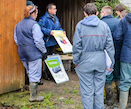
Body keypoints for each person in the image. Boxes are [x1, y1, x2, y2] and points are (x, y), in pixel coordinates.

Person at [73, 3, 115, 109]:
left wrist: (76, 60)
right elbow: (110, 46)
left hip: (84, 61)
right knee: (99, 90)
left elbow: (76, 46)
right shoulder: (104, 26)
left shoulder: (80, 25)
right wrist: (111, 63)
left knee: (87, 91)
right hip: (100, 60)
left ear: (84, 13)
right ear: (96, 13)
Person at [14, 5, 47, 102]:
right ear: (33, 13)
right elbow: (38, 41)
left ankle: (32, 93)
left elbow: (16, 40)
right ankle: (33, 96)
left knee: (29, 71)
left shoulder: (18, 25)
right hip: (33, 53)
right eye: (36, 13)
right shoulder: (34, 25)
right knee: (35, 74)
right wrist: (44, 51)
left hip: (22, 53)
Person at [38, 3, 65, 80]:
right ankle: (44, 74)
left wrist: (62, 31)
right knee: (45, 58)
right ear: (49, 10)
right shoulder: (43, 18)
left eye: (55, 9)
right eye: (54, 9)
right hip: (46, 42)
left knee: (51, 58)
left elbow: (58, 28)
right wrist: (49, 32)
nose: (56, 10)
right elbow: (40, 28)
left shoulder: (55, 18)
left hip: (53, 42)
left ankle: (51, 74)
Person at [100, 6, 120, 105]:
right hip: (118, 53)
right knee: (118, 75)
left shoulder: (100, 24)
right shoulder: (119, 22)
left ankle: (108, 99)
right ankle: (120, 98)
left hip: (105, 54)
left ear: (103, 13)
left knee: (107, 76)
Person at [114, 13, 131, 109]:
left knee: (125, 82)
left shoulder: (124, 20)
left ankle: (122, 106)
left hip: (127, 55)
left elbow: (117, 37)